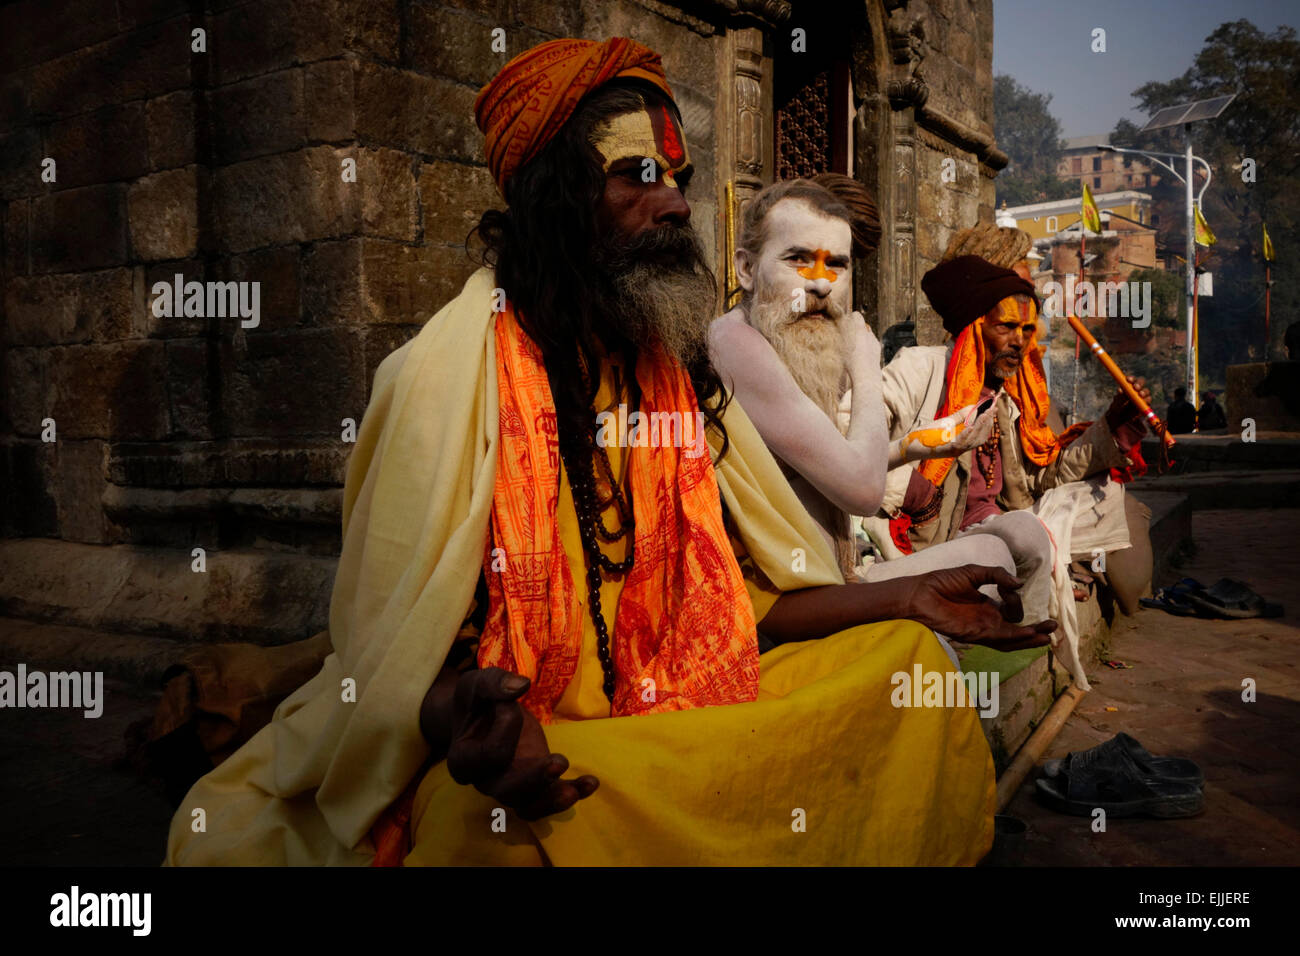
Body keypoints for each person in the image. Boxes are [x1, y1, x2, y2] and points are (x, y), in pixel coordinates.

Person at [164, 38, 1053, 868]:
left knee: (900, 668)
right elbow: (394, 658)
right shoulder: (441, 378)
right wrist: (462, 716)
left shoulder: (670, 371)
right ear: (553, 195)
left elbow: (730, 603)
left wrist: (904, 596)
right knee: (493, 827)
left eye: (678, 176)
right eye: (636, 175)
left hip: (680, 702)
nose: (673, 200)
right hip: (557, 737)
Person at [863, 245, 1154, 689]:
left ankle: (1024, 622)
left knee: (1064, 513)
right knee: (1003, 549)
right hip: (923, 541)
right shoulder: (917, 370)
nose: (1020, 340)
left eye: (1027, 329)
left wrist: (1113, 425)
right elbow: (852, 443)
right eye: (1006, 327)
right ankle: (994, 616)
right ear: (975, 328)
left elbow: (1041, 476)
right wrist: (914, 473)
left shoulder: (1007, 397)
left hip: (993, 525)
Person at [708, 177, 1000, 585]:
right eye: (797, 259)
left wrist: (925, 444)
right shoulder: (733, 340)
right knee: (991, 555)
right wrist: (866, 365)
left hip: (830, 580)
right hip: (778, 604)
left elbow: (837, 465)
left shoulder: (792, 340)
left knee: (1001, 548)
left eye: (837, 264)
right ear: (746, 269)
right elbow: (863, 491)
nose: (821, 283)